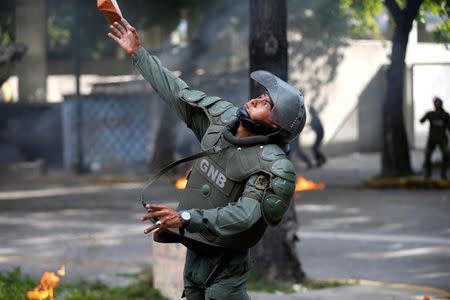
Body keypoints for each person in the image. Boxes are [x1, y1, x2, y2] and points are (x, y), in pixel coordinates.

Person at [108, 19, 306, 299]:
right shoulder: (221, 120)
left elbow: (245, 215)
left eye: (267, 105)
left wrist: (184, 218)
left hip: (225, 269)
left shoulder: (271, 165)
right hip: (195, 256)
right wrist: (138, 54)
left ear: (275, 126)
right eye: (262, 95)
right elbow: (176, 92)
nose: (257, 100)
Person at [419, 96, 450, 179]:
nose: (437, 104)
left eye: (438, 102)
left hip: (442, 139)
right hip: (432, 139)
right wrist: (425, 117)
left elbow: (449, 127)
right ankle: (428, 174)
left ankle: (443, 174)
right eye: (435, 102)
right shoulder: (431, 114)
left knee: (446, 154)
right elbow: (421, 121)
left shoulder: (445, 115)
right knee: (427, 155)